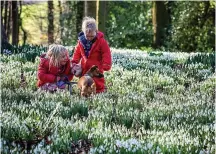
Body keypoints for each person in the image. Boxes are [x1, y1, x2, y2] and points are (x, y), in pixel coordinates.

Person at [72, 16, 112, 93]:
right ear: (83, 32)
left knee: (97, 81)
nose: (89, 38)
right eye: (87, 36)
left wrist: (106, 64)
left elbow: (106, 52)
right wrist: (74, 61)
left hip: (96, 67)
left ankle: (99, 91)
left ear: (96, 31)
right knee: (84, 80)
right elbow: (77, 52)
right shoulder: (81, 42)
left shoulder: (101, 41)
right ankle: (85, 92)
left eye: (92, 36)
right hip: (84, 66)